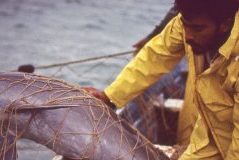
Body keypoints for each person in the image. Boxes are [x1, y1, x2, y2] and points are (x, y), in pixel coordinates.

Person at [83, 0, 239, 159]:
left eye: (197, 29)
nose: (187, 36)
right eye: (184, 24)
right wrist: (110, 97)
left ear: (225, 25)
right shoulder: (190, 24)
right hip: (210, 139)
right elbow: (155, 56)